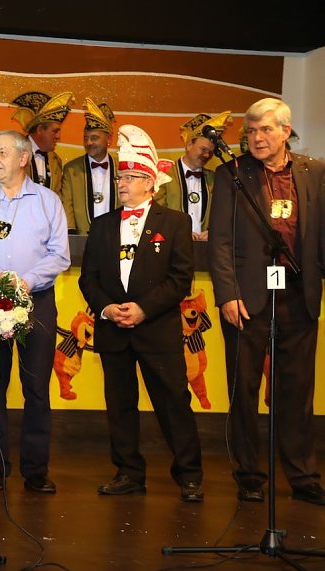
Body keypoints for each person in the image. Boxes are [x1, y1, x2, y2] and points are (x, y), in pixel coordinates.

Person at [208, 98, 325, 506]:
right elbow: (220, 241)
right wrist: (227, 294)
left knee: (297, 391)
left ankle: (303, 476)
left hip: (299, 294)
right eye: (251, 131)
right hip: (247, 298)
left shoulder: (313, 172)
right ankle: (249, 475)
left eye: (266, 130)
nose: (257, 138)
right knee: (244, 390)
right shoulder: (232, 173)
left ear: (285, 131)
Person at [78, 124, 204, 502]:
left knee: (173, 403)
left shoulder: (175, 222)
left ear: (150, 183)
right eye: (120, 177)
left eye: (130, 177)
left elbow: (180, 279)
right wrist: (107, 308)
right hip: (113, 330)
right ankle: (129, 472)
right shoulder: (102, 225)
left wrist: (143, 309)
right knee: (120, 407)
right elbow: (88, 278)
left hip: (157, 330)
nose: (121, 183)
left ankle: (189, 475)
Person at [0, 130, 70, 493]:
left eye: (2, 153)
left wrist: (26, 281)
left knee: (36, 387)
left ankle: (36, 469)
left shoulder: (48, 202)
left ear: (23, 158)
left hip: (37, 300)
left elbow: (60, 254)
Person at [155, 111, 231, 241]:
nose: (207, 155)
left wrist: (213, 231)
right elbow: (156, 215)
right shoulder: (164, 175)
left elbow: (223, 215)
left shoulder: (214, 179)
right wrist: (179, 233)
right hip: (173, 246)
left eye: (211, 152)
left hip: (204, 249)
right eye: (203, 149)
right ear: (189, 145)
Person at [60, 98, 118, 234]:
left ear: (109, 139)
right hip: (83, 239)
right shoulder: (71, 169)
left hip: (116, 237)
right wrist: (73, 237)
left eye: (94, 138)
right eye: (85, 138)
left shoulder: (122, 167)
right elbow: (67, 206)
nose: (89, 142)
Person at [10, 90, 74, 198]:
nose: (58, 136)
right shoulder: (14, 153)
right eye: (55, 131)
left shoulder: (56, 161)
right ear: (40, 130)